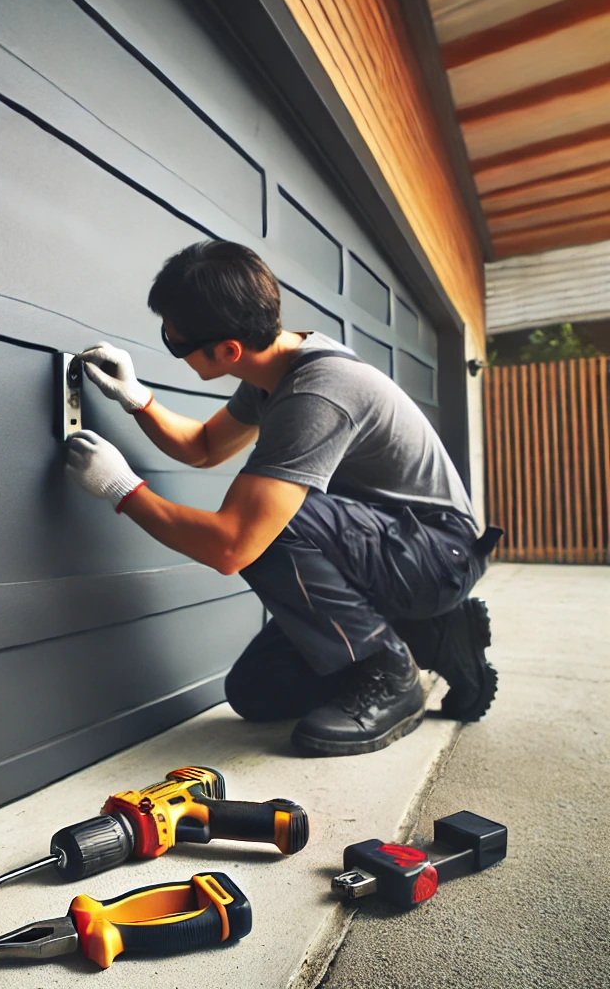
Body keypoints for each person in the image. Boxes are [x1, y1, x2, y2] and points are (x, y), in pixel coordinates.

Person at [65, 240, 500, 756]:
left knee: (269, 523)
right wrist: (137, 399)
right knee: (257, 691)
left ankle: (391, 672)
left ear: (228, 350)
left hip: (434, 555)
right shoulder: (275, 368)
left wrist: (122, 489)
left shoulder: (317, 392)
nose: (173, 344)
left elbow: (233, 547)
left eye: (176, 342)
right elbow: (205, 447)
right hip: (393, 548)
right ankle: (429, 633)